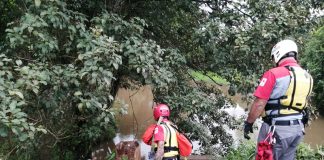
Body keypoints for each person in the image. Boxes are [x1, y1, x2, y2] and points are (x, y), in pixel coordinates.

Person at [244, 39, 313, 160]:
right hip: (297, 130)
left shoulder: (274, 73)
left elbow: (259, 104)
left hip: (275, 130)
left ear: (278, 54)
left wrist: (249, 123)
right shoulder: (307, 76)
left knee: (263, 158)